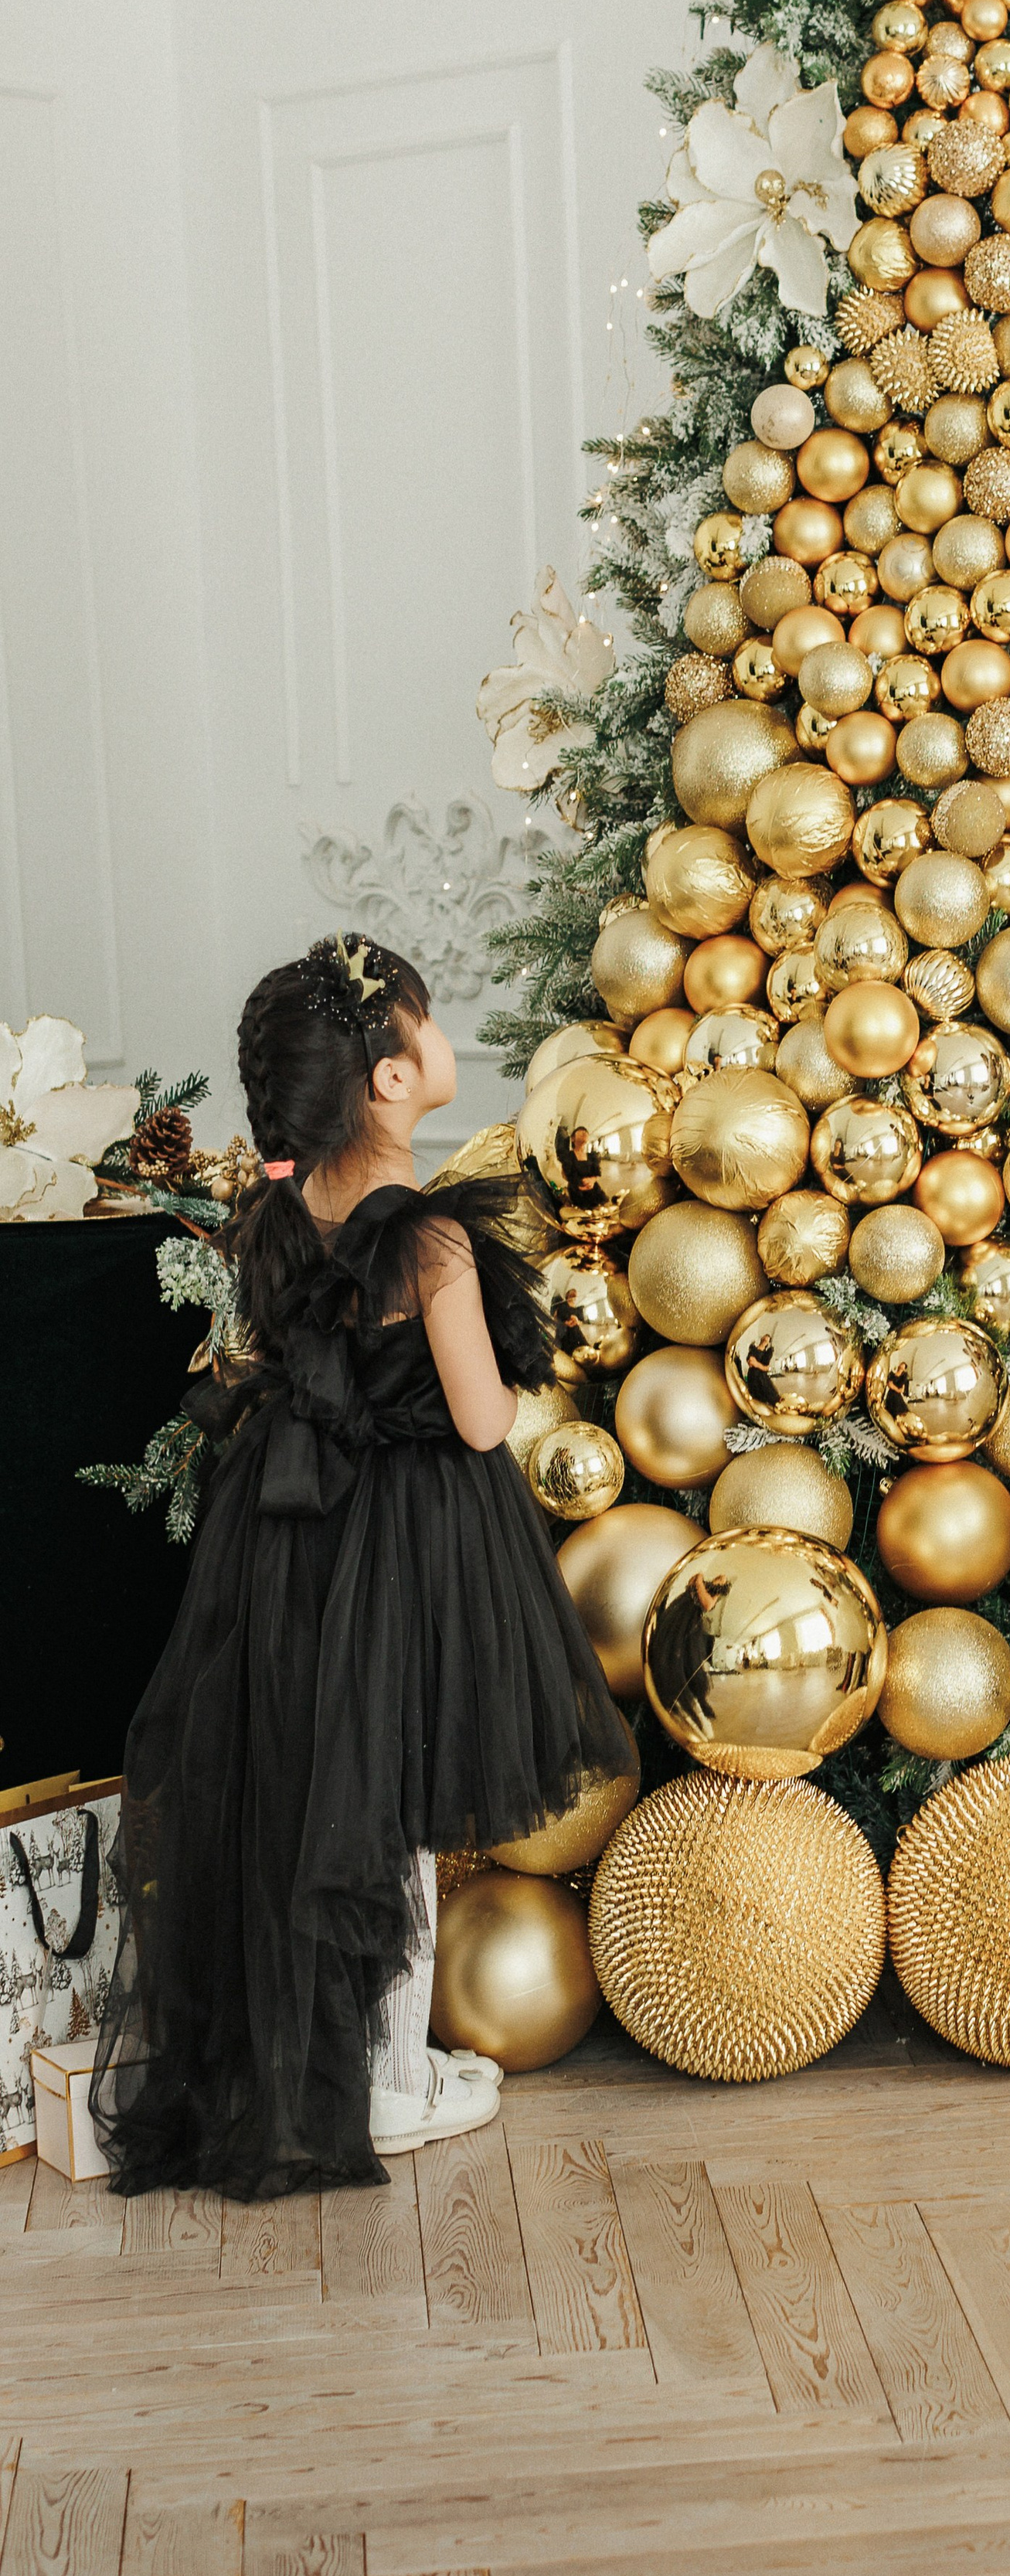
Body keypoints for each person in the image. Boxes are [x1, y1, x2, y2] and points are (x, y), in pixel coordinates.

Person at [93, 933, 635, 2197]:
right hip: (412, 1536)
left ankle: (352, 2064)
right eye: (427, 1026)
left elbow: (283, 1359)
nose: (444, 1045)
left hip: (289, 1534)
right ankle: (388, 2078)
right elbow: (486, 1421)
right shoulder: (431, 1241)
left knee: (322, 1797)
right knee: (390, 1811)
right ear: (390, 1079)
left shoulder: (278, 1215)